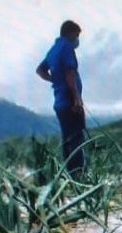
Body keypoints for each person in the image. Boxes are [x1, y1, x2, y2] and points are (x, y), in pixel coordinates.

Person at [36, 20, 86, 177]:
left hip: (59, 102)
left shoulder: (53, 50)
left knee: (67, 138)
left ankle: (69, 174)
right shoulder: (66, 48)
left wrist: (54, 80)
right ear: (70, 33)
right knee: (77, 138)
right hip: (70, 101)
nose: (77, 39)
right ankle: (79, 174)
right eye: (77, 35)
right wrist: (77, 98)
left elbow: (40, 70)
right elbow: (69, 73)